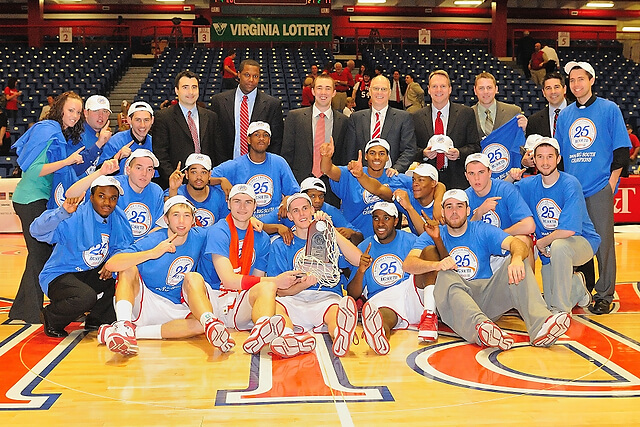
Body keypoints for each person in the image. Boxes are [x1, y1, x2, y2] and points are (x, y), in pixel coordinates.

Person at [404, 189, 571, 350]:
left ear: (468, 210)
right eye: (449, 207)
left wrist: (517, 258)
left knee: (516, 264)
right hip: (455, 303)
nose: (454, 211)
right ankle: (481, 328)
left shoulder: (481, 229)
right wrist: (437, 265)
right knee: (446, 275)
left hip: (485, 295)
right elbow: (408, 264)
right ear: (442, 211)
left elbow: (517, 243)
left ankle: (540, 325)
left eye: (459, 206)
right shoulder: (432, 233)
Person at [97, 195, 234, 356]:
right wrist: (152, 253)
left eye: (187, 215)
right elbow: (111, 264)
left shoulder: (199, 235)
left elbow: (226, 227)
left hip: (175, 304)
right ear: (166, 219)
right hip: (146, 300)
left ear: (193, 220)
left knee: (197, 304)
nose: (181, 221)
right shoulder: (154, 239)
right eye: (176, 215)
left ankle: (134, 333)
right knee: (128, 268)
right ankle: (123, 325)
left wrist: (249, 220)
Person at [195, 184, 317, 358]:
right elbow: (229, 281)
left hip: (239, 301)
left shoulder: (262, 238)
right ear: (228, 204)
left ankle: (263, 331)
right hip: (214, 298)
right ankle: (275, 333)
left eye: (247, 202)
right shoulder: (219, 231)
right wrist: (276, 281)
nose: (242, 207)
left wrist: (273, 284)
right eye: (237, 201)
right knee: (192, 278)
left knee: (267, 288)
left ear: (255, 206)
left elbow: (257, 281)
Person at [555, 61, 630, 314]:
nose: (576, 84)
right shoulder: (565, 115)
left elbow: (621, 152)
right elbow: (561, 155)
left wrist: (610, 185)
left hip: (599, 188)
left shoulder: (609, 109)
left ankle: (605, 293)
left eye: (581, 79)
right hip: (573, 190)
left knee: (604, 244)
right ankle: (582, 290)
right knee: (575, 243)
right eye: (572, 81)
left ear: (591, 80)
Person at [9, 91, 86, 324]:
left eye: (78, 112)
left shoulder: (56, 131)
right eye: (71, 110)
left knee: (39, 255)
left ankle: (24, 310)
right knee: (39, 255)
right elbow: (33, 170)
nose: (74, 115)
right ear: (60, 108)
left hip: (37, 199)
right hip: (30, 199)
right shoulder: (48, 129)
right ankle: (31, 312)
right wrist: (68, 160)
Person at [31, 176, 133, 337]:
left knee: (123, 274)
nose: (107, 202)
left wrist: (112, 263)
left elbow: (122, 247)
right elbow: (37, 231)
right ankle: (51, 317)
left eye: (113, 198)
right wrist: (61, 213)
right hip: (59, 274)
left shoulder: (118, 219)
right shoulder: (74, 216)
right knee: (85, 297)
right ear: (91, 197)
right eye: (101, 196)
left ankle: (97, 319)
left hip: (89, 272)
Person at [510, 137, 599, 313]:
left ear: (558, 159)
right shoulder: (529, 184)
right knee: (549, 299)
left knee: (559, 246)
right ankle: (578, 287)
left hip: (581, 242)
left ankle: (561, 312)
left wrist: (541, 242)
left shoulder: (570, 183)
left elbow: (568, 230)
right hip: (550, 251)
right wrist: (510, 177)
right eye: (540, 157)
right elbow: (504, 192)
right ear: (533, 160)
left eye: (550, 156)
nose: (545, 162)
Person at [267, 193, 362, 357]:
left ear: (312, 210)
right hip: (293, 299)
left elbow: (358, 260)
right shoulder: (280, 244)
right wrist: (303, 285)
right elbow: (280, 291)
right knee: (276, 307)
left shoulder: (328, 238)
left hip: (325, 297)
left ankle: (340, 334)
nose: (302, 214)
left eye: (305, 208)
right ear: (289, 216)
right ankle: (287, 337)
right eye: (295, 211)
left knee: (335, 311)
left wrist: (330, 230)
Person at [347, 202, 430, 352]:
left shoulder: (411, 240)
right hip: (383, 299)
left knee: (428, 261)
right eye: (376, 218)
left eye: (386, 218)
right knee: (383, 316)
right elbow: (353, 294)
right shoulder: (364, 247)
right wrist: (360, 271)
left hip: (410, 292)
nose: (380, 223)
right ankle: (378, 335)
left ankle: (432, 314)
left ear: (396, 221)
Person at [321, 138, 411, 237]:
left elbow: (422, 183)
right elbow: (328, 169)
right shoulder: (352, 172)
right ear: (366, 156)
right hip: (353, 238)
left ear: (387, 158)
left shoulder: (394, 177)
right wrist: (326, 157)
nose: (377, 157)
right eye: (372, 153)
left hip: (384, 240)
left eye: (381, 154)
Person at [66, 150, 164, 241]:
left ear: (153, 174)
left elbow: (158, 226)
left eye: (149, 169)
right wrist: (100, 172)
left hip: (139, 249)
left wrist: (140, 246)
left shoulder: (157, 191)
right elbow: (70, 194)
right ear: (128, 169)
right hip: (110, 245)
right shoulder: (114, 185)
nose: (144, 173)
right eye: (139, 168)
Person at [282, 74, 349, 205]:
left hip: (331, 186)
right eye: (319, 88)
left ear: (334, 92)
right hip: (300, 183)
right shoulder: (295, 117)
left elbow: (345, 156)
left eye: (328, 88)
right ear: (312, 91)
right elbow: (287, 154)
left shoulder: (344, 121)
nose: (323, 92)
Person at [212, 121, 299, 219]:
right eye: (256, 135)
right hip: (245, 222)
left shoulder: (279, 162)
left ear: (269, 141)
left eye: (265, 135)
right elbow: (203, 178)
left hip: (274, 220)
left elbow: (295, 192)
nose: (261, 138)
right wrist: (221, 180)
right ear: (248, 140)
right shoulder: (235, 165)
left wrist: (288, 198)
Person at [464, 153, 535, 269]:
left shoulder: (505, 189)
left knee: (523, 241)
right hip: (480, 253)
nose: (476, 178)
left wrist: (498, 236)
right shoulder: (463, 198)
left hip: (506, 248)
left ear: (490, 173)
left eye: (481, 172)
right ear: (466, 176)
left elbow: (529, 225)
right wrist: (478, 213)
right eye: (471, 173)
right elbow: (463, 235)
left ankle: (528, 287)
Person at [414, 70, 481, 190]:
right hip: (427, 182)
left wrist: (459, 153)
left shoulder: (466, 114)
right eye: (434, 86)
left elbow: (475, 147)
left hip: (458, 180)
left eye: (443, 86)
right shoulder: (416, 116)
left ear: (450, 89)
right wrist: (423, 153)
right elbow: (411, 149)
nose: (438, 90)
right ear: (428, 90)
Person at [153, 70, 220, 188]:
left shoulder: (211, 117)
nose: (190, 92)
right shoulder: (163, 117)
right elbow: (160, 154)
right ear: (176, 90)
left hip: (208, 184)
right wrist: (175, 180)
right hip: (178, 185)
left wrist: (212, 178)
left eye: (194, 87)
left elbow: (218, 152)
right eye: (185, 87)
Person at [210, 59, 284, 162]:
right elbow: (214, 137)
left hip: (259, 166)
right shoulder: (219, 101)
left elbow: (276, 141)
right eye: (247, 75)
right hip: (226, 165)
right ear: (239, 75)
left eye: (255, 76)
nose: (251, 80)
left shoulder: (272, 104)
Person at [346, 75, 418, 173]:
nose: (379, 92)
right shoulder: (356, 118)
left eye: (384, 89)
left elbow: (409, 149)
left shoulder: (404, 118)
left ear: (389, 93)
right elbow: (350, 152)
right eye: (376, 88)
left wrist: (396, 169)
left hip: (391, 177)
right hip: (362, 177)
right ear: (370, 91)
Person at [260, 177, 363, 245]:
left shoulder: (328, 210)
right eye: (312, 196)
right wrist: (278, 227)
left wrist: (351, 233)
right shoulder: (289, 208)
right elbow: (255, 224)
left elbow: (359, 237)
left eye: (321, 196)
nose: (318, 201)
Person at [350, 162, 445, 236]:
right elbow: (379, 189)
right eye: (413, 180)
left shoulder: (446, 206)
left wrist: (437, 203)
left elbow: (429, 237)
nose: (415, 184)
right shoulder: (409, 196)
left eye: (421, 180)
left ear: (433, 183)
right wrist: (361, 175)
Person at [165, 153, 228, 227]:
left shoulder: (219, 196)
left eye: (203, 172)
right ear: (186, 174)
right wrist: (173, 189)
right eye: (194, 172)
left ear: (209, 175)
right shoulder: (175, 191)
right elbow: (170, 214)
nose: (199, 177)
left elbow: (224, 226)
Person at [98, 101, 155, 173]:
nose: (142, 125)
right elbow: (99, 171)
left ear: (152, 120)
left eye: (146, 120)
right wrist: (117, 158)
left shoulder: (155, 143)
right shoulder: (116, 141)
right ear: (129, 120)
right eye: (138, 120)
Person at [472, 72, 527, 139]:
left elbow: (519, 140)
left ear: (496, 89)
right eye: (481, 88)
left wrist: (524, 130)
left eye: (489, 87)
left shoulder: (513, 112)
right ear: (475, 90)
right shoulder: (467, 114)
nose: (485, 92)